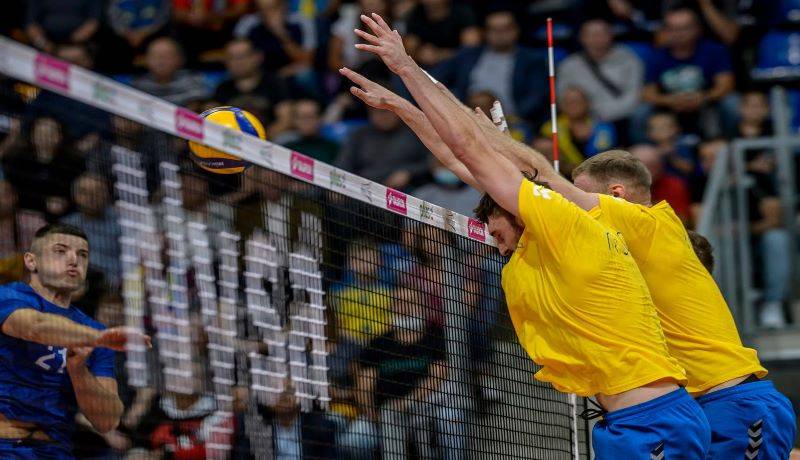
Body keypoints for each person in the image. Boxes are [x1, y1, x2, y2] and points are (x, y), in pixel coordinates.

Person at [346, 14, 707, 457]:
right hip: (629, 418)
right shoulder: (554, 241)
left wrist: (406, 68)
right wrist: (403, 109)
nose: (497, 245)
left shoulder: (563, 222)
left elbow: (468, 151)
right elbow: (458, 161)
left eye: (497, 232)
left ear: (518, 211)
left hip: (652, 420)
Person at [0, 223, 150, 458]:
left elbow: (107, 420)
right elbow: (34, 327)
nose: (74, 260)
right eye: (60, 251)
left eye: (82, 255)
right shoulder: (8, 295)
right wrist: (98, 339)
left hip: (56, 450)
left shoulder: (95, 330)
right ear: (31, 261)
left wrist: (79, 370)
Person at [635, 7, 737, 142]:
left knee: (732, 103)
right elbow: (647, 93)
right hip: (669, 105)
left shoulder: (714, 50)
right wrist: (669, 100)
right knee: (641, 111)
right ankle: (644, 151)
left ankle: (730, 145)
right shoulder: (656, 55)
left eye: (684, 28)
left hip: (707, 103)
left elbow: (726, 85)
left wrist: (704, 97)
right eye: (672, 28)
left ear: (697, 29)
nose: (678, 34)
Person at [432, 10, 547, 123]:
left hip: (512, 121)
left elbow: (537, 95)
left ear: (516, 30)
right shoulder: (468, 55)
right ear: (485, 33)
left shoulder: (531, 59)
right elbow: (435, 78)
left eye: (505, 29)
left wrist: (514, 116)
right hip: (468, 118)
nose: (500, 34)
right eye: (494, 30)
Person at [556, 18, 644, 139]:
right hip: (585, 119)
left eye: (602, 33)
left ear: (611, 35)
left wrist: (606, 114)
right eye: (592, 34)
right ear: (582, 38)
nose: (597, 38)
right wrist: (586, 117)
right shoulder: (569, 65)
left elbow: (635, 94)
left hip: (625, 116)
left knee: (641, 112)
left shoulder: (629, 59)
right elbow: (563, 99)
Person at [334, 105, 430, 191]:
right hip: (363, 189)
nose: (384, 116)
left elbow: (429, 163)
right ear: (370, 112)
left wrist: (409, 172)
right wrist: (338, 185)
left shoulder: (414, 135)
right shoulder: (360, 135)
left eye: (387, 111)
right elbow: (343, 164)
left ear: (397, 111)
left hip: (404, 192)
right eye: (378, 111)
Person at [60, 173, 122, 290]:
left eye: (98, 191)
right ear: (75, 196)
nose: (91, 196)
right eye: (84, 192)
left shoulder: (121, 223)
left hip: (116, 285)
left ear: (107, 194)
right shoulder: (66, 225)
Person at [536, 87, 617, 175]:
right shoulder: (551, 128)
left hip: (599, 173)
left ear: (587, 103)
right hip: (563, 176)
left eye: (576, 101)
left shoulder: (603, 127)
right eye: (567, 102)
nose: (572, 105)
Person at [213, 38, 289, 125]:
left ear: (258, 57)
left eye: (242, 56)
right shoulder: (223, 88)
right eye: (231, 57)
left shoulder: (275, 84)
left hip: (269, 133)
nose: (237, 62)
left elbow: (285, 119)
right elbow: (213, 120)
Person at [131, 37, 210, 107]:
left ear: (180, 59)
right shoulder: (137, 85)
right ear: (145, 59)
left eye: (167, 56)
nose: (161, 61)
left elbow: (197, 106)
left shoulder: (193, 81)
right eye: (155, 56)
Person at [404, 0, 481, 68]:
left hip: (457, 64)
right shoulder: (416, 14)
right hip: (424, 65)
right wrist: (419, 54)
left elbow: (471, 48)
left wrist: (439, 55)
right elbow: (409, 48)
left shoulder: (462, 12)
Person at [631, 144, 691, 223]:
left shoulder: (675, 185)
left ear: (661, 166)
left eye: (652, 165)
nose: (647, 170)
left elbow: (680, 220)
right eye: (642, 166)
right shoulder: (620, 187)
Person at [25, 0, 101, 52]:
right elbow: (31, 24)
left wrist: (69, 45)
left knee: (79, 55)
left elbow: (93, 22)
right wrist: (44, 44)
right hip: (43, 45)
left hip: (75, 46)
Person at [283, 98, 340, 164]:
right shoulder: (286, 148)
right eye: (301, 117)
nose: (306, 122)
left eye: (310, 117)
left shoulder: (333, 149)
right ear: (295, 120)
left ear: (319, 118)